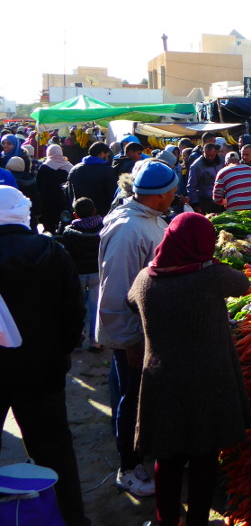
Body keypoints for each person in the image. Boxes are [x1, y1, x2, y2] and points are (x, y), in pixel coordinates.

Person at [128, 212, 251, 526]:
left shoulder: (145, 280)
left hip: (162, 379)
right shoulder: (212, 277)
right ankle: (197, 520)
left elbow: (131, 300)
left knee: (167, 457)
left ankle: (167, 519)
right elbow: (243, 284)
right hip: (207, 380)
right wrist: (207, 266)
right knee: (203, 457)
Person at [0, 186, 90, 526]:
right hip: (43, 369)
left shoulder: (54, 250)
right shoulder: (52, 252)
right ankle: (72, 518)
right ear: (23, 213)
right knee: (54, 450)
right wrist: (64, 349)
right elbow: (74, 310)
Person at [98, 160, 180, 497]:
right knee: (131, 400)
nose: (176, 194)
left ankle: (143, 451)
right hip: (134, 334)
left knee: (140, 397)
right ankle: (128, 468)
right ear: (160, 195)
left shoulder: (149, 218)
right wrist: (129, 339)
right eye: (173, 190)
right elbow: (117, 290)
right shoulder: (128, 230)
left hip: (148, 330)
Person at [61, 197, 105, 353]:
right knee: (96, 307)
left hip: (77, 274)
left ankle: (77, 337)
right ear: (94, 210)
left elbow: (67, 255)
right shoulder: (104, 227)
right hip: (97, 273)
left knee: (77, 307)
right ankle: (96, 342)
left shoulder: (68, 232)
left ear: (75, 215)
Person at [67, 141, 118, 216]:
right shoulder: (108, 170)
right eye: (107, 155)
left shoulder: (74, 169)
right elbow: (112, 194)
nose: (107, 159)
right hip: (101, 214)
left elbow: (70, 194)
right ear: (102, 153)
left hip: (79, 213)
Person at [186, 142, 225, 214]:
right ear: (203, 152)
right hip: (206, 201)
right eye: (208, 155)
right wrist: (195, 203)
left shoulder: (222, 161)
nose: (210, 158)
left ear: (216, 152)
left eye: (212, 156)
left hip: (222, 198)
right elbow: (191, 186)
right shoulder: (196, 166)